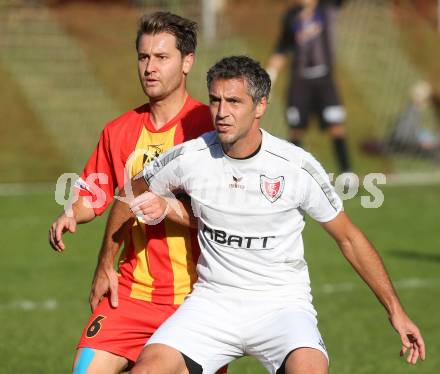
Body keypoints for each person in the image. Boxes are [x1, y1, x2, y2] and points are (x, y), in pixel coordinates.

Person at [101, 55, 425, 374]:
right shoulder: (191, 156)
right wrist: (105, 265)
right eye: (215, 100)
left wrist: (395, 311)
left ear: (260, 106)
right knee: (149, 370)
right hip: (213, 302)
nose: (222, 112)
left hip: (281, 305)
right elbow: (131, 191)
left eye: (234, 101)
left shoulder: (296, 166)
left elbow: (349, 238)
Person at [48, 12, 222, 373]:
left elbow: (228, 213)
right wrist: (71, 213)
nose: (149, 68)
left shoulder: (210, 129)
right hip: (130, 294)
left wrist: (168, 207)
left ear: (187, 61)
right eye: (143, 57)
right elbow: (92, 194)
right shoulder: (119, 131)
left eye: (162, 57)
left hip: (196, 300)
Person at [266, 0, 351, 173]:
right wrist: (269, 80)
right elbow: (281, 49)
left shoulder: (328, 7)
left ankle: (347, 173)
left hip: (325, 81)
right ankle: (293, 174)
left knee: (336, 126)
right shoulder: (291, 17)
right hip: (300, 82)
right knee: (297, 129)